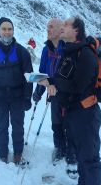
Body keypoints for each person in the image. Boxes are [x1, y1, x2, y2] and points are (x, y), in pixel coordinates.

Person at [39, 17, 101, 185]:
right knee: (82, 160)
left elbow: (78, 86)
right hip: (73, 114)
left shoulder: (85, 54)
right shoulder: (70, 52)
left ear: (76, 31)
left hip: (86, 115)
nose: (62, 27)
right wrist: (51, 84)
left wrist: (52, 83)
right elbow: (64, 81)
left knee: (89, 161)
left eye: (66, 24)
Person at [0, 17, 33, 164]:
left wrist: (27, 97)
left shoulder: (22, 51)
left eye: (10, 29)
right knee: (2, 127)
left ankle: (18, 153)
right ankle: (2, 154)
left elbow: (29, 77)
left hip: (18, 96)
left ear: (13, 31)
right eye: (4, 29)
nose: (7, 32)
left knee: (18, 126)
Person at [33, 18, 77, 166]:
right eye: (47, 27)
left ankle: (71, 154)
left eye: (51, 27)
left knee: (70, 125)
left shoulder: (68, 48)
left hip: (69, 95)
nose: (48, 30)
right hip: (53, 95)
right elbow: (43, 73)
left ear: (60, 30)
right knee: (56, 124)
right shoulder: (46, 50)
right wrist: (38, 92)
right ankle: (59, 148)